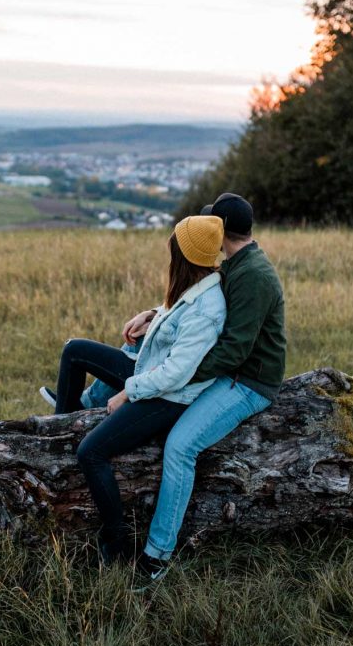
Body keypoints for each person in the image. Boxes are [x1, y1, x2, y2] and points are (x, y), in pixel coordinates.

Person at [41, 215, 228, 564]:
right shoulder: (196, 284)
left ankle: (116, 544)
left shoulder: (207, 309)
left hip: (168, 398)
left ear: (183, 255)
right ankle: (61, 426)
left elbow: (176, 374)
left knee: (91, 452)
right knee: (74, 350)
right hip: (149, 373)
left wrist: (129, 391)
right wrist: (150, 316)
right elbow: (174, 314)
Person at [123, 193, 287, 583]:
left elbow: (234, 352)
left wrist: (177, 375)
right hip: (225, 370)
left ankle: (157, 557)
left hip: (247, 382)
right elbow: (193, 298)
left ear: (222, 230)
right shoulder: (236, 263)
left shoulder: (254, 277)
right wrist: (153, 314)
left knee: (181, 446)